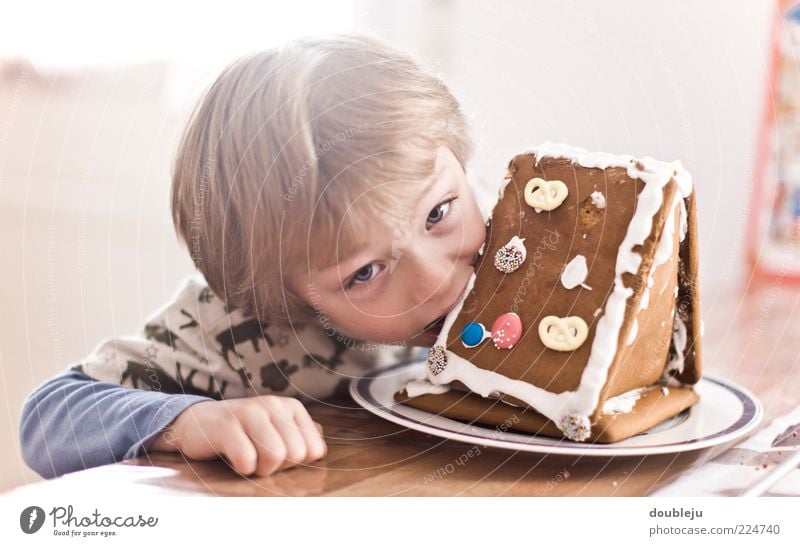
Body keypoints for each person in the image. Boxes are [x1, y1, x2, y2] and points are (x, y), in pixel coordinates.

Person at [19, 32, 488, 480]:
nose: (436, 278)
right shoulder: (238, 331)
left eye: (438, 213)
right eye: (365, 272)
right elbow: (49, 417)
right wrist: (189, 421)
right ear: (279, 298)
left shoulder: (517, 229)